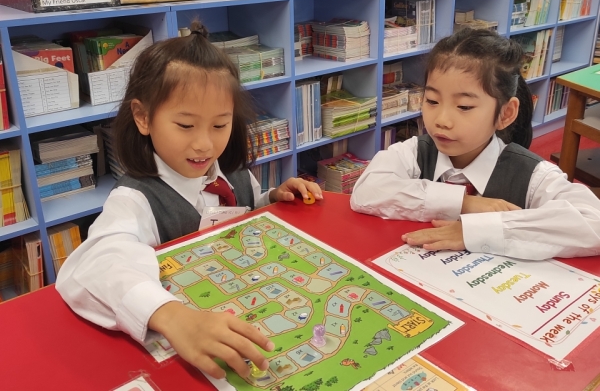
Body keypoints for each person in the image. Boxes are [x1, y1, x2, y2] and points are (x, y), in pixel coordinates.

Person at [56, 22, 323, 379]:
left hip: (248, 307)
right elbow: (95, 265)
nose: (204, 145)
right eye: (185, 126)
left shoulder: (232, 172)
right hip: (185, 344)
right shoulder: (134, 199)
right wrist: (173, 317)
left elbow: (242, 212)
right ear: (143, 117)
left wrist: (271, 199)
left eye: (220, 125)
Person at [350, 28, 600, 260]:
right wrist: (463, 202)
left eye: (464, 106)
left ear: (505, 114)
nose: (442, 120)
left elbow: (594, 222)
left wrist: (475, 231)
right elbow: (366, 192)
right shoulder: (415, 152)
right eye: (432, 101)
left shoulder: (533, 175)